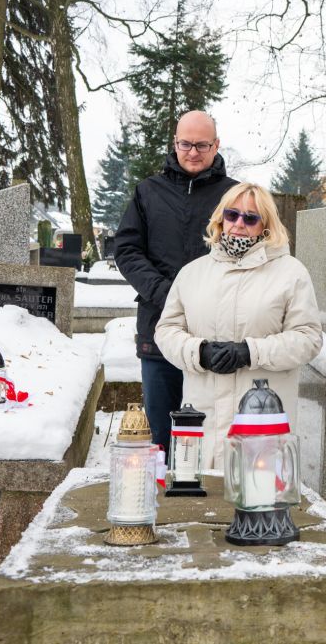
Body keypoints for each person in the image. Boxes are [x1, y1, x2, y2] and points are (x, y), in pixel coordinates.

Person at [154, 182, 322, 467]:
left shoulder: (291, 273)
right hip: (203, 423)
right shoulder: (192, 273)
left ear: (266, 226)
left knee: (258, 502)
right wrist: (199, 351)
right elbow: (166, 331)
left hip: (261, 426)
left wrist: (251, 352)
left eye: (251, 218)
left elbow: (308, 338)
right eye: (232, 215)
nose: (239, 224)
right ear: (221, 219)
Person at [115, 111, 238, 456]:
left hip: (216, 333)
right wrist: (166, 293)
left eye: (202, 144)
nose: (193, 152)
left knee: (210, 433)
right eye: (186, 144)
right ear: (175, 143)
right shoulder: (148, 192)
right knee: (160, 435)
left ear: (216, 145)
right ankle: (160, 502)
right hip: (159, 328)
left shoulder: (235, 197)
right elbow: (126, 250)